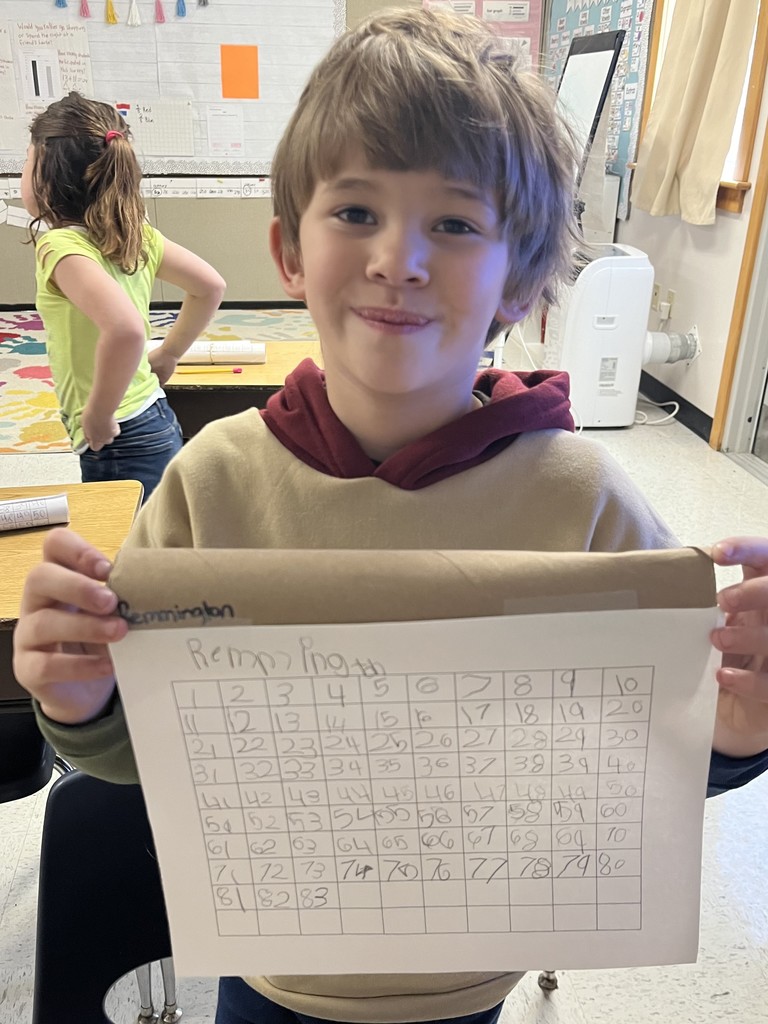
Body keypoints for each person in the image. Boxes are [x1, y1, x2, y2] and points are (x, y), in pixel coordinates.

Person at [13, 8, 768, 1024]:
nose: (398, 259)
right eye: (357, 210)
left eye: (454, 224)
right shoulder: (209, 485)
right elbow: (141, 754)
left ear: (522, 279)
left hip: (470, 981)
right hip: (266, 969)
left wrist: (734, 729)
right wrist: (83, 703)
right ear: (290, 251)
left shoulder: (585, 500)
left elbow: (653, 759)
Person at [21, 92, 226, 500]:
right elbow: (210, 287)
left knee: (125, 536)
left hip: (118, 437)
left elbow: (126, 330)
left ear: (46, 174)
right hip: (152, 413)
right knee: (159, 529)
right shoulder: (137, 235)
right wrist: (169, 353)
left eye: (25, 163)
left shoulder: (60, 247)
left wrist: (99, 412)